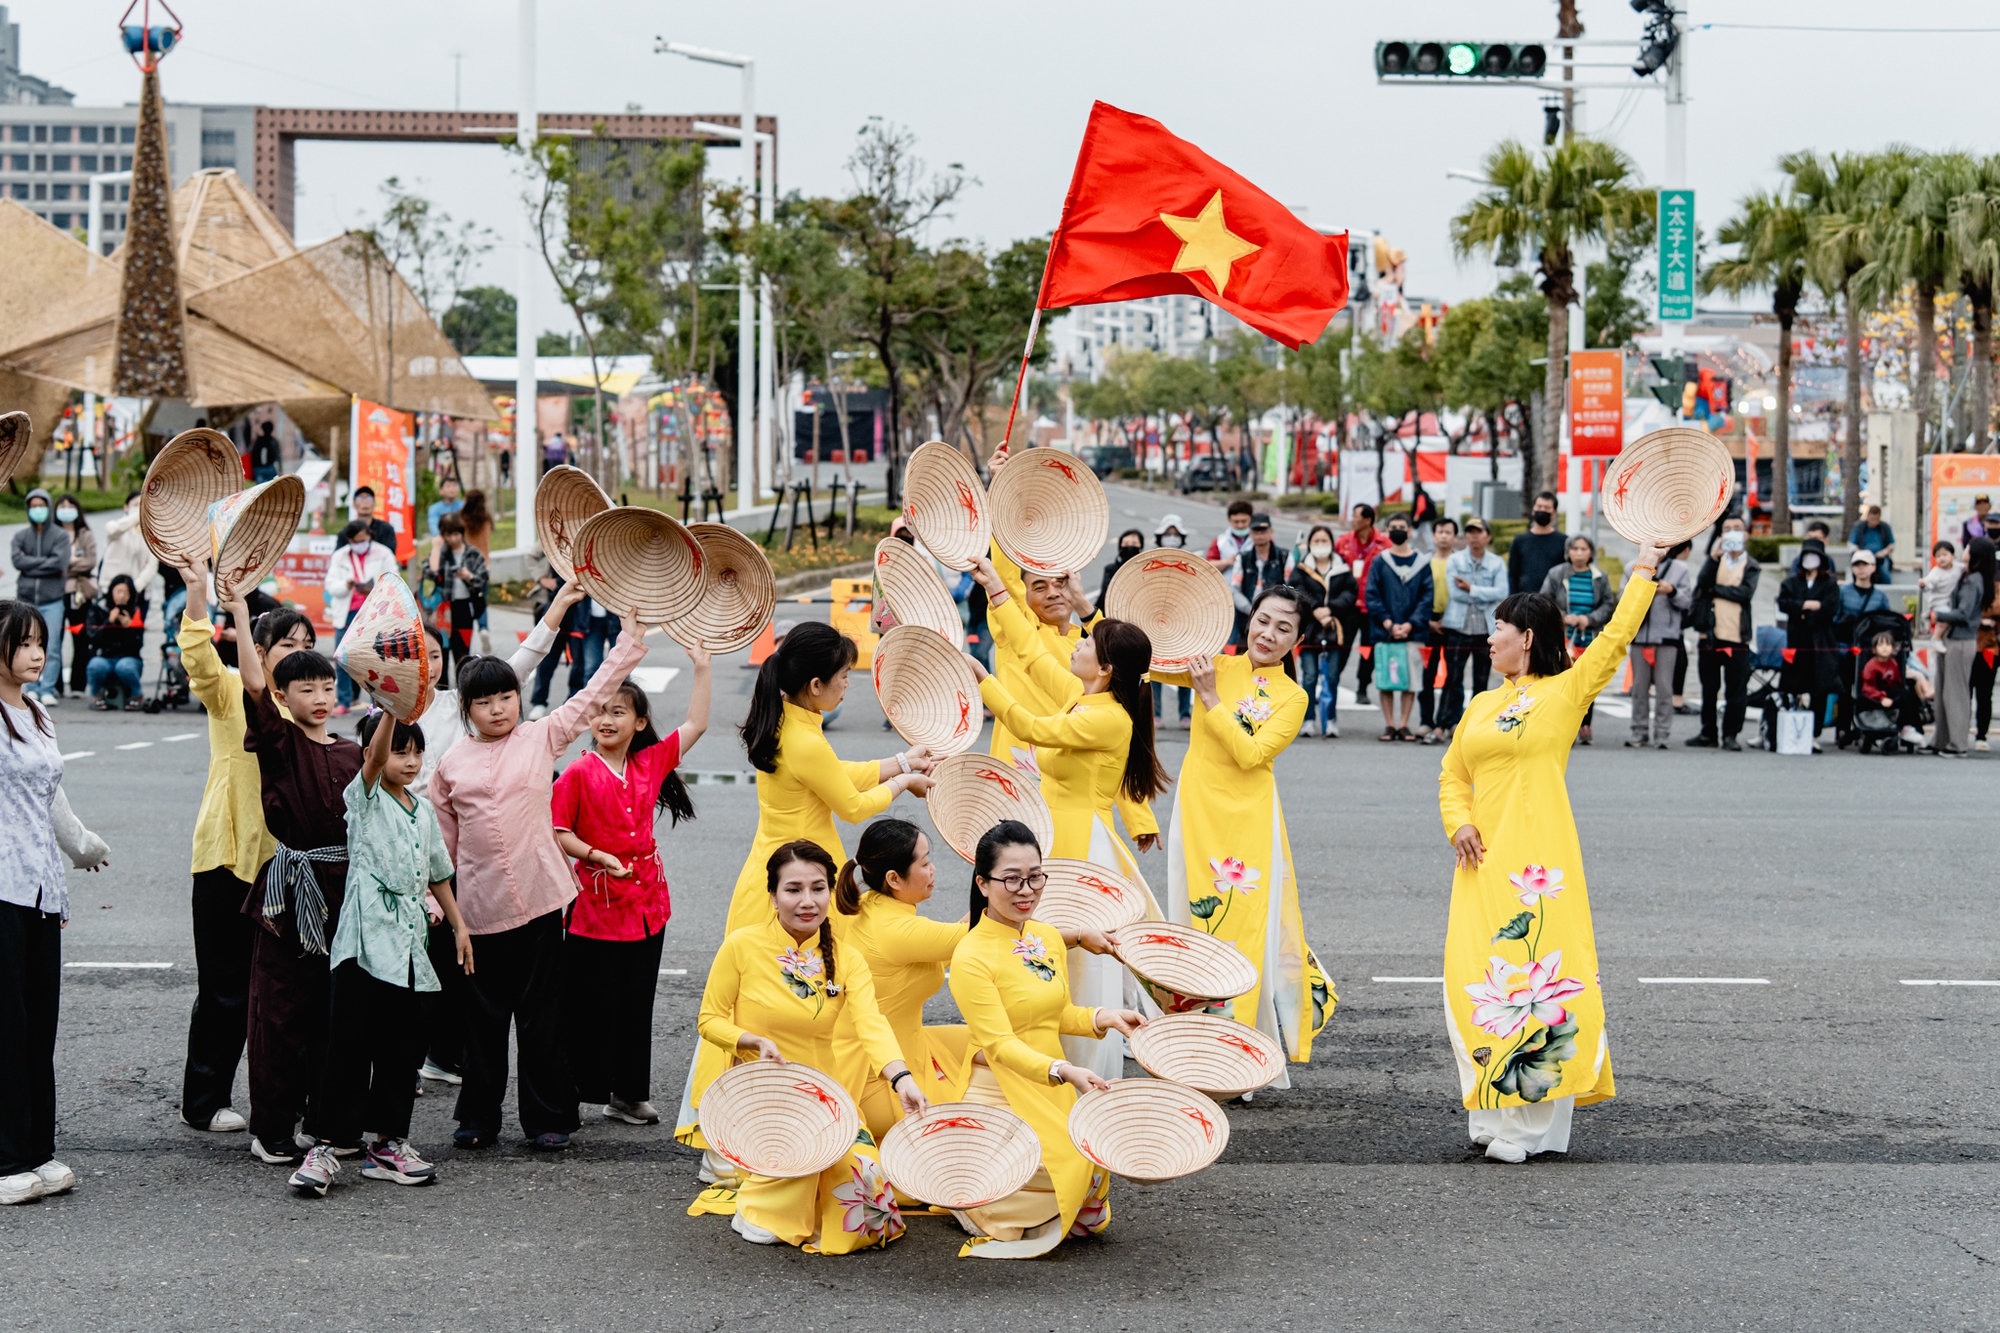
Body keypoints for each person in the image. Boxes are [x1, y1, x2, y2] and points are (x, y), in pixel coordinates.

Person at [1439, 541, 1666, 1163]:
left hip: (1538, 872)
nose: (1490, 641)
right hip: (1479, 866)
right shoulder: (1482, 704)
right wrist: (1457, 823)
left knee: (1537, 991)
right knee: (1477, 984)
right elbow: (1452, 774)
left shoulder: (1565, 693)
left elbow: (1617, 636)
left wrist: (1643, 567)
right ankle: (1491, 1109)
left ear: (1528, 638)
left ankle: (1531, 1130)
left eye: (1499, 630)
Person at [673, 621, 934, 1159]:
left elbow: (835, 773)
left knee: (769, 1005)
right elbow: (852, 804)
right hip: (804, 881)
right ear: (816, 684)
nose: (848, 686)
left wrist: (902, 762)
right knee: (790, 1004)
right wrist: (902, 782)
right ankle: (756, 1131)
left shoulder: (790, 719)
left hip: (777, 875)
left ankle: (748, 1131)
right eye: (843, 676)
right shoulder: (804, 735)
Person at [430, 614, 648, 1151]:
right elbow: (441, 847)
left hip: (544, 904)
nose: (498, 708)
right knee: (481, 1022)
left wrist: (629, 638)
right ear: (467, 709)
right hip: (478, 912)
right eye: (484, 702)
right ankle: (478, 1119)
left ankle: (548, 1118)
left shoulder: (543, 736)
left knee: (543, 1017)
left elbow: (595, 692)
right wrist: (439, 907)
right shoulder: (450, 765)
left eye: (506, 696)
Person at [966, 555, 1169, 1083]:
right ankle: (1046, 1056)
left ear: (1104, 668)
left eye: (1086, 644)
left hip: (1080, 843)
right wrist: (996, 591)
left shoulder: (1103, 716)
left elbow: (1029, 725)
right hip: (1060, 834)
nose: (1075, 643)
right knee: (1055, 950)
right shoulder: (1089, 698)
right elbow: (1034, 655)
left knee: (1074, 959)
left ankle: (1082, 1073)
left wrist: (984, 681)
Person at [687, 840, 926, 1251]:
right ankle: (762, 1201)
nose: (807, 901)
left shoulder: (846, 958)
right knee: (777, 1216)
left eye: (818, 888)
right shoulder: (742, 946)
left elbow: (872, 1025)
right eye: (793, 889)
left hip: (823, 1096)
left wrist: (900, 1077)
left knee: (869, 1210)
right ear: (773, 895)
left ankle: (791, 1192)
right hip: (762, 1092)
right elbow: (709, 1020)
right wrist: (751, 1040)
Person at [944, 821, 1145, 1258]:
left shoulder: (1046, 936)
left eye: (1035, 877)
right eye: (1011, 879)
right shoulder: (971, 956)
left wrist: (1105, 1017)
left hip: (1050, 1076)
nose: (1026, 890)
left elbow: (1054, 1015)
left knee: (1090, 1157)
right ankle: (978, 1205)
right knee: (1055, 1166)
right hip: (999, 1080)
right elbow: (999, 1043)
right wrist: (1064, 1070)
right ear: (982, 883)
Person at [287, 710, 467, 1198]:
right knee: (347, 1048)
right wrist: (391, 706)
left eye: (416, 751)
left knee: (401, 1051)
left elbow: (437, 874)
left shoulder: (423, 809)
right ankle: (325, 1148)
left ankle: (388, 1146)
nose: (409, 761)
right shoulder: (364, 798)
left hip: (411, 946)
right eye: (398, 751)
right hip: (364, 946)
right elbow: (372, 757)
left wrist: (459, 925)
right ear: (374, 754)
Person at [1156, 586, 1333, 1079]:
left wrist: (1210, 697)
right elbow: (1140, 656)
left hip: (1249, 825)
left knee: (1242, 935)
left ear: (1297, 640)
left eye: (1284, 628)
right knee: (1192, 925)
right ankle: (1191, 1049)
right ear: (1248, 619)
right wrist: (1088, 611)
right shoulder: (1216, 664)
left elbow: (1251, 754)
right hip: (1197, 812)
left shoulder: (1292, 697)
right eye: (1263, 621)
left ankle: (1236, 1061)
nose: (1268, 634)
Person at [408, 583, 575, 1091]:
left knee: (532, 1006)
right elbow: (440, 835)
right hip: (456, 879)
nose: (497, 707)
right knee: (464, 993)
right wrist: (436, 896)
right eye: (420, 658)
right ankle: (450, 1083)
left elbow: (526, 661)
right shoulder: (399, 715)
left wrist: (562, 604)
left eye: (436, 655)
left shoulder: (509, 721)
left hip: (526, 885)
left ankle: (539, 1110)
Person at [172, 564, 315, 1139]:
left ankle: (288, 1099)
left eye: (307, 645)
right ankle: (203, 1101)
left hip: (291, 864)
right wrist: (200, 594)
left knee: (290, 993)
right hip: (228, 856)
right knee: (225, 990)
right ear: (258, 649)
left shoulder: (312, 701)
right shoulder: (233, 692)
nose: (298, 653)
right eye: (286, 644)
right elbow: (199, 660)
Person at [228, 584, 365, 1170]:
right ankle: (273, 1128)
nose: (317, 695)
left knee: (332, 1014)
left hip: (345, 889)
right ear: (283, 694)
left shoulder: (353, 751)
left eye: (326, 685)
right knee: (279, 1013)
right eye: (303, 686)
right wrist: (237, 608)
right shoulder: (278, 740)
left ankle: (321, 1119)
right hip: (290, 891)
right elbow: (253, 686)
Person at [554, 657, 711, 1127]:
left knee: (636, 1001)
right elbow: (559, 831)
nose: (606, 719)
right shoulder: (577, 773)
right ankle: (573, 1095)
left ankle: (627, 1094)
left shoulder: (651, 762)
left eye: (619, 712)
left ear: (639, 722)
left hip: (647, 905)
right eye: (600, 711)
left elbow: (697, 723)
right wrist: (597, 856)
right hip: (595, 908)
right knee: (587, 1005)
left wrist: (702, 667)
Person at [980, 453, 1157, 850]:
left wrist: (1138, 815)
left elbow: (1123, 665)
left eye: (1060, 582)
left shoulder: (1086, 645)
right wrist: (1003, 494)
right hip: (1022, 765)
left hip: (1074, 775)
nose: (1051, 592)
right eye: (1038, 586)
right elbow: (1005, 580)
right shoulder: (1018, 632)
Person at [0, 601, 109, 1206]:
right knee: (7, 1026)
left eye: (42, 642)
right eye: (24, 643)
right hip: (1, 886)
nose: (38, 653)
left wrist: (83, 847)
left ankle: (36, 1149)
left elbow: (52, 794)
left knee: (39, 1022)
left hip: (39, 884)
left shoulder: (38, 711)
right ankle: (6, 1159)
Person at [832, 819, 971, 1139]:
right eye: (925, 862)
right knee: (995, 1069)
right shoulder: (897, 930)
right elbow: (982, 937)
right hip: (878, 1073)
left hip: (892, 1046)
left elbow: (951, 940)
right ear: (894, 878)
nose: (934, 869)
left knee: (991, 1044)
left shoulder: (867, 905)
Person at [1687, 519, 1760, 751]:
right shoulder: (1713, 561)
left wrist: (1715, 590)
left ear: (1746, 535)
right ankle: (1708, 732)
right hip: (1709, 634)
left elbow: (1744, 593)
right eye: (1727, 530)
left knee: (1736, 690)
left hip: (1737, 636)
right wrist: (1714, 557)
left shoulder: (1751, 565)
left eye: (1737, 529)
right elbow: (1701, 585)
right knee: (1709, 688)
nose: (1732, 533)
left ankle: (1730, 734)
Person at [1364, 514, 1434, 742]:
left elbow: (1427, 596)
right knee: (1386, 678)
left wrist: (1410, 624)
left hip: (1413, 632)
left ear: (1410, 531)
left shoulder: (1422, 563)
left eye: (1402, 527)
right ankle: (1389, 724)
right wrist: (1388, 623)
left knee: (1411, 679)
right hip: (1385, 631)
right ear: (1387, 531)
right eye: (1393, 527)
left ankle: (1404, 724)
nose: (1398, 531)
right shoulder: (1380, 561)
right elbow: (1371, 595)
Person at [1540, 536, 1613, 746]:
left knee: (1587, 683)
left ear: (1591, 552)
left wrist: (1588, 619)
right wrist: (1562, 616)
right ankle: (1563, 726)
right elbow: (1544, 600)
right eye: (1575, 548)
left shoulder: (1600, 576)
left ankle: (1585, 724)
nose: (1579, 553)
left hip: (1589, 638)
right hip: (1562, 639)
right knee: (1562, 681)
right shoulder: (1556, 573)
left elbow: (1608, 603)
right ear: (1568, 551)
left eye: (1584, 548)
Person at [1438, 518, 1507, 737]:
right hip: (1458, 626)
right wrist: (1482, 594)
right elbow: (1455, 593)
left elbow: (1502, 592)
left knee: (1481, 678)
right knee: (1453, 677)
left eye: (1478, 532)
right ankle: (1448, 721)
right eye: (1470, 532)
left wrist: (1471, 589)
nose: (1474, 536)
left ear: (1487, 536)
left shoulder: (1496, 563)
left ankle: (1476, 724)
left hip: (1486, 630)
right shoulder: (1455, 560)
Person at [1287, 523, 1357, 738]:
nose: (1320, 545)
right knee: (1309, 677)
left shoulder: (1342, 567)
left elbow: (1351, 593)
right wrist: (1316, 609)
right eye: (1316, 541)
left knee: (1332, 677)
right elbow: (1297, 591)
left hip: (1334, 630)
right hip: (1308, 631)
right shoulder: (1301, 568)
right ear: (1309, 544)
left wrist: (1331, 610)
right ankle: (1307, 720)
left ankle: (1331, 719)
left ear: (1331, 544)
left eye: (1324, 541)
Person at [323, 520, 400, 715]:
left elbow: (393, 578)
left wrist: (375, 587)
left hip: (374, 611)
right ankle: (344, 701)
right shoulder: (340, 556)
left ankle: (378, 702)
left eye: (364, 539)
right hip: (348, 610)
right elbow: (331, 584)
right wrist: (346, 585)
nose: (361, 543)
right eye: (357, 541)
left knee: (376, 658)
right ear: (349, 540)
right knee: (342, 657)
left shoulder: (383, 553)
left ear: (369, 536)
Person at [1626, 540, 1694, 749]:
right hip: (1639, 637)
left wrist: (1671, 591)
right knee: (1639, 688)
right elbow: (1623, 599)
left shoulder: (1680, 569)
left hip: (1667, 637)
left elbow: (1687, 602)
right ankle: (1639, 732)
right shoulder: (1632, 568)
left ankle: (1662, 733)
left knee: (1665, 688)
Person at [1777, 537, 1842, 749]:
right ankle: (1788, 729)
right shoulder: (1791, 583)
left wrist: (1807, 614)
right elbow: (1784, 603)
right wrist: (1806, 605)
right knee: (1792, 684)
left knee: (1819, 688)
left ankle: (1814, 733)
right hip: (1797, 640)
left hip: (1820, 642)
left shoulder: (1830, 584)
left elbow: (1829, 609)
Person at [1931, 537, 1993, 756]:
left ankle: (1957, 744)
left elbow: (1964, 614)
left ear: (1974, 554)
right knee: (1942, 690)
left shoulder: (1973, 580)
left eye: (1967, 547)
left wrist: (1938, 614)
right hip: (1953, 638)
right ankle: (1940, 740)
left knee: (1955, 693)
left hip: (1961, 640)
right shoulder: (1969, 575)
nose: (1964, 550)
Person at [11, 488, 70, 706]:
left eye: (41, 505)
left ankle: (48, 688)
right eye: (33, 506)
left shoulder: (60, 536)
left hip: (52, 600)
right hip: (26, 600)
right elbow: (17, 561)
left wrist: (31, 565)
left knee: (51, 646)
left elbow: (59, 562)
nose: (38, 510)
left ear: (48, 507)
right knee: (25, 645)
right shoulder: (20, 536)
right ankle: (32, 688)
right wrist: (44, 563)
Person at [1335, 504, 1391, 708]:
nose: (1352, 519)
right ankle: (1333, 683)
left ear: (1368, 520)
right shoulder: (1343, 542)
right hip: (1347, 606)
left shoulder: (1385, 544)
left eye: (1356, 516)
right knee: (1342, 646)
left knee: (1369, 650)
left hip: (1373, 607)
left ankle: (1362, 688)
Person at [426, 513, 488, 687]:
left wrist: (469, 577)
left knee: (463, 656)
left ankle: (463, 695)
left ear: (461, 533)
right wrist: (436, 548)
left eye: (455, 534)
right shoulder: (441, 553)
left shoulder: (472, 553)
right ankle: (440, 694)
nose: (452, 538)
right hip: (443, 609)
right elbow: (430, 574)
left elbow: (482, 580)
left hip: (463, 607)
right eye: (448, 535)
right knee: (440, 653)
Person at [1151, 517, 1196, 727]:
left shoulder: (1190, 563)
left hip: (1182, 622)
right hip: (1155, 621)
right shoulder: (1151, 561)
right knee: (1156, 668)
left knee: (1184, 667)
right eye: (1168, 534)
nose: (1172, 538)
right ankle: (1155, 713)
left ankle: (1185, 714)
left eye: (1176, 535)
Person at [1418, 518, 1458, 738]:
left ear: (1455, 537)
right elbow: (1417, 595)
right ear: (1433, 536)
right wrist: (1428, 621)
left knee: (1453, 675)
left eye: (1448, 532)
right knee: (1427, 674)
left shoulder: (1460, 562)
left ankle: (1448, 720)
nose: (1444, 536)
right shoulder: (1423, 562)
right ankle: (1426, 720)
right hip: (1428, 622)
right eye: (1440, 532)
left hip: (1453, 623)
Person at [82, 574, 146, 710]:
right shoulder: (98, 609)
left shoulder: (135, 611)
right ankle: (96, 696)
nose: (122, 596)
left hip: (128, 658)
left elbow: (138, 645)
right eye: (118, 591)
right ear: (111, 592)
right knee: (95, 665)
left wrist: (130, 627)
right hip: (104, 656)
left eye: (126, 592)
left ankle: (137, 695)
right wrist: (108, 622)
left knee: (124, 667)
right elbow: (92, 638)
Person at [1227, 513, 1289, 650]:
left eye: (1263, 531)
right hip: (1247, 619)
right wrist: (1251, 610)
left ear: (1271, 532)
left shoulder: (1284, 557)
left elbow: (1291, 588)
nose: (1260, 535)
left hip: (1277, 619)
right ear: (1250, 534)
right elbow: (1234, 589)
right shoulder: (1242, 558)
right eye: (1256, 532)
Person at [1858, 631, 1930, 749]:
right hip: (1876, 692)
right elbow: (1868, 687)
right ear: (1874, 649)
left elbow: (1897, 682)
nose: (1885, 648)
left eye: (1888, 645)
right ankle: (1906, 728)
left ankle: (1914, 728)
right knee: (1904, 696)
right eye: (1881, 645)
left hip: (1891, 690)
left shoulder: (1893, 663)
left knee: (1909, 695)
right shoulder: (1871, 666)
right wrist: (1881, 697)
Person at [55, 494, 96, 698]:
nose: (66, 509)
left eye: (70, 506)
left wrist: (65, 564)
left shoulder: (85, 534)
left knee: (80, 639)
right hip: (55, 593)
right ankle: (55, 685)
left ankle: (79, 685)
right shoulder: (52, 534)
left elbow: (90, 561)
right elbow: (51, 562)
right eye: (62, 506)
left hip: (80, 593)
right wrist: (67, 563)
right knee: (54, 638)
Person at [1507, 492, 1569, 613]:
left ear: (1554, 513)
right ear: (1533, 509)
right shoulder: (1520, 541)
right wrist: (1513, 603)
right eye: (1539, 507)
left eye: (1546, 508)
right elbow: (1513, 575)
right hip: (1524, 605)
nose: (1542, 510)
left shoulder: (1564, 541)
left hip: (1553, 607)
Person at [96, 492, 158, 608]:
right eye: (136, 505)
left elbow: (151, 567)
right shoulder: (114, 526)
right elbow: (116, 529)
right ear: (126, 507)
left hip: (138, 594)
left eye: (143, 505)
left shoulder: (151, 535)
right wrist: (139, 515)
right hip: (110, 591)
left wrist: (133, 588)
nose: (140, 508)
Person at [1971, 556, 2000, 752]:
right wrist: (1982, 620)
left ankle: (1982, 734)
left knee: (1984, 692)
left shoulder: (1995, 586)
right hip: (1967, 643)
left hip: (1990, 647)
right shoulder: (1969, 580)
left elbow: (1996, 608)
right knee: (1964, 692)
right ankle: (1959, 732)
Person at [1096, 528, 1144, 613]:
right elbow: (1105, 596)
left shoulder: (1145, 569)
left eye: (1134, 543)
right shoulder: (1111, 569)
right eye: (1126, 543)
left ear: (1140, 547)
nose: (1130, 546)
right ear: (1120, 547)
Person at [1921, 541, 1961, 639]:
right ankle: (1936, 639)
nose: (1941, 558)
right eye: (1938, 556)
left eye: (1945, 555)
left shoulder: (1958, 568)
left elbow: (1967, 568)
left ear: (1953, 555)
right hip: (1939, 603)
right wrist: (1923, 584)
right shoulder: (1936, 572)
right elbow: (1928, 582)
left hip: (1952, 603)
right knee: (1945, 619)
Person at [1205, 499, 1256, 570]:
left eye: (1244, 521)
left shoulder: (1260, 539)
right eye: (1236, 522)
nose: (1240, 525)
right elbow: (1207, 566)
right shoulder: (1220, 541)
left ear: (1251, 519)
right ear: (1229, 520)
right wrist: (1226, 562)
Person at [347, 486, 400, 553]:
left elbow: (390, 554)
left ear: (375, 504)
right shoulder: (347, 531)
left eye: (369, 498)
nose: (365, 501)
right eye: (360, 498)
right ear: (354, 505)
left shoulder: (386, 529)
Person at [1847, 504, 1896, 576]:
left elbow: (1892, 544)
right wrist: (1861, 553)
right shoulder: (1858, 527)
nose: (1874, 522)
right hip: (1863, 558)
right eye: (1872, 519)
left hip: (1880, 558)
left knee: (1885, 572)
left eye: (1876, 519)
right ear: (1868, 516)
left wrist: (1884, 552)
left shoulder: (1885, 527)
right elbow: (1851, 544)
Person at [426, 474, 464, 538]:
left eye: (454, 486)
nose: (452, 489)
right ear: (441, 491)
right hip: (442, 538)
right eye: (448, 486)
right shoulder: (434, 508)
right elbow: (433, 526)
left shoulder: (463, 505)